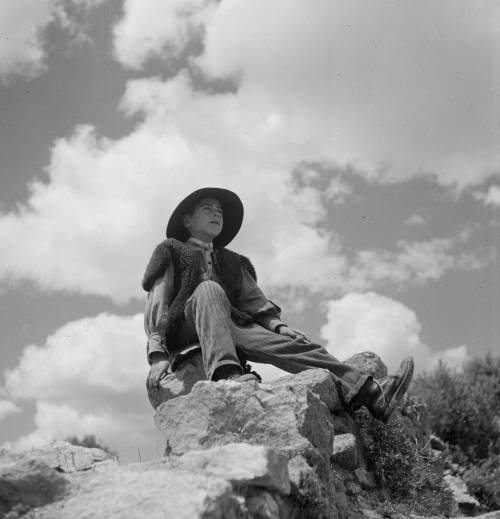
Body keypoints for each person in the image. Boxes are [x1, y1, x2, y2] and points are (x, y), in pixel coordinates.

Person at [142, 187, 413, 423]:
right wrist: (157, 353)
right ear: (187, 220)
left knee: (297, 344)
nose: (217, 214)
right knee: (209, 290)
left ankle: (371, 394)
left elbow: (255, 302)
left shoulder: (233, 261)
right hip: (188, 328)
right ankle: (227, 376)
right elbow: (158, 301)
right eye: (207, 209)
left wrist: (279, 328)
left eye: (220, 211)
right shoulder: (172, 250)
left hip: (232, 326)